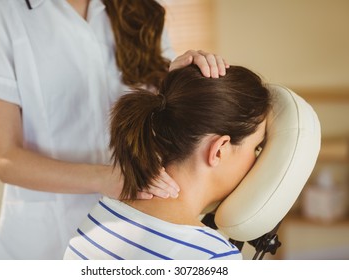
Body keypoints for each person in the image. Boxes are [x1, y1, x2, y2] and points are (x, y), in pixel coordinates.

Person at [0, 0, 228, 259]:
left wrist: (180, 78)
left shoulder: (142, 7)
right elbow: (6, 160)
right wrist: (107, 178)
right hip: (44, 241)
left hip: (128, 237)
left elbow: (159, 113)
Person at [64, 65, 271, 260]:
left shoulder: (102, 214)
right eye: (256, 148)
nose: (257, 161)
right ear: (218, 150)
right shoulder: (213, 256)